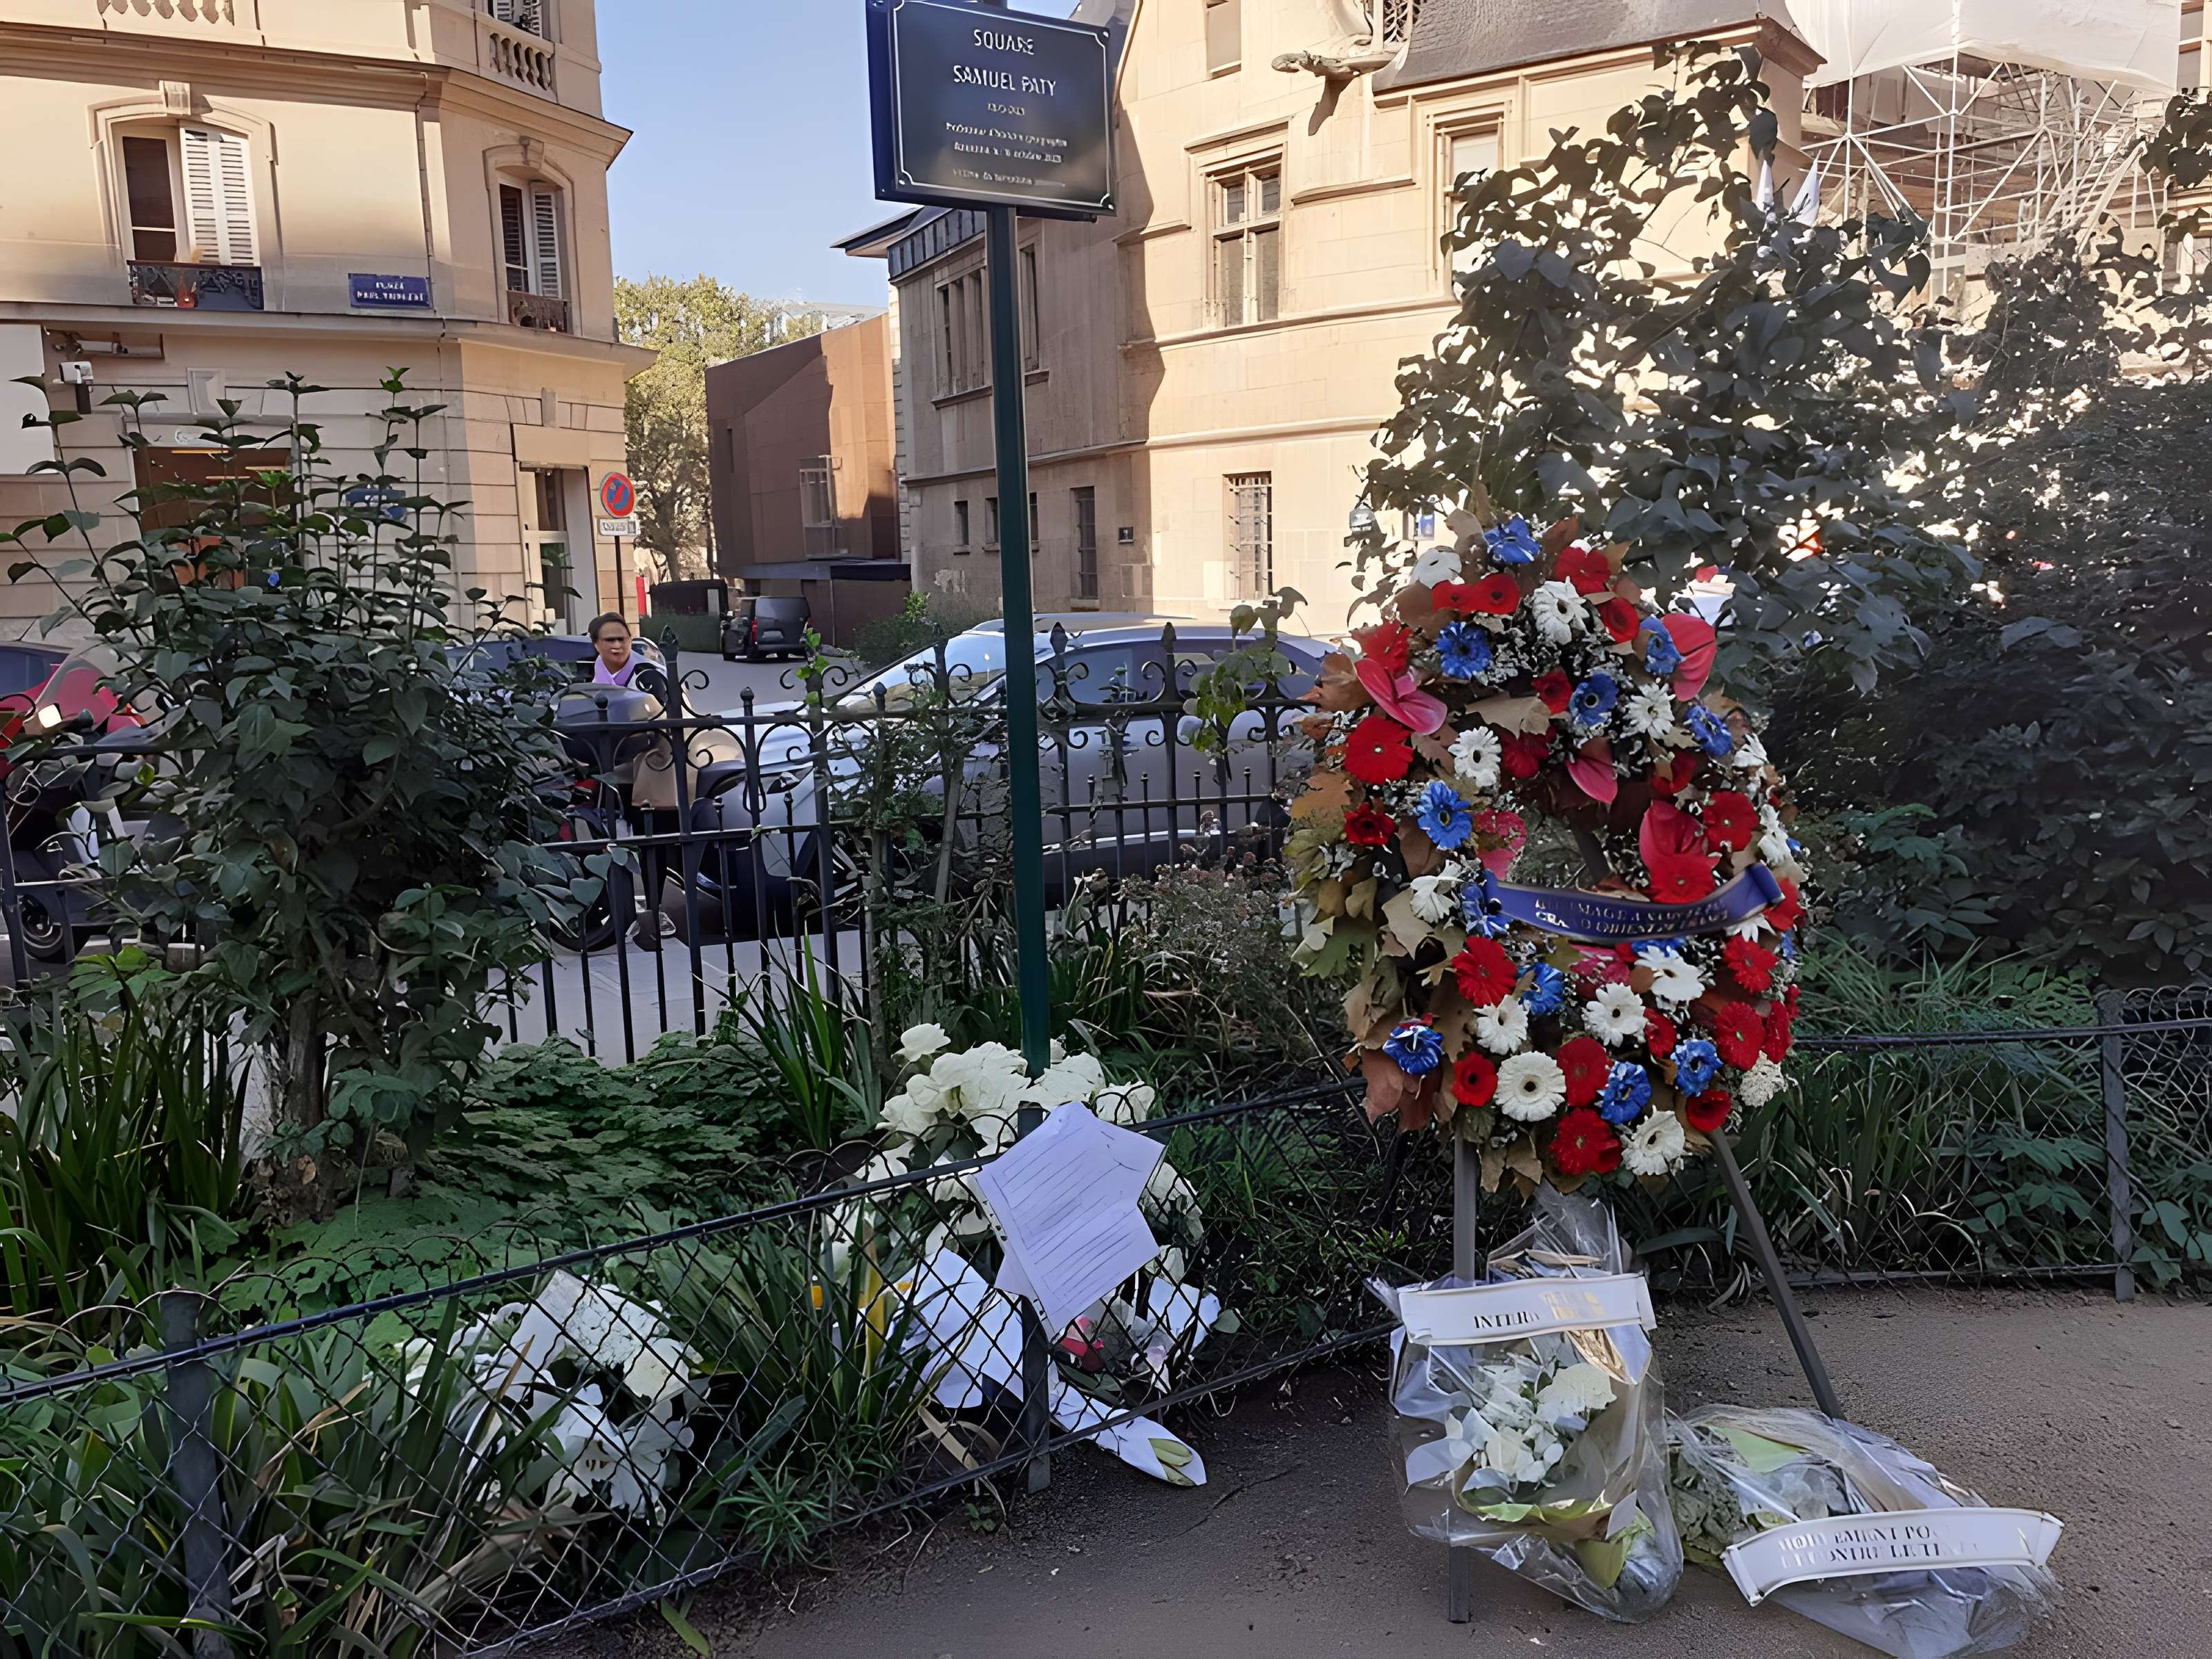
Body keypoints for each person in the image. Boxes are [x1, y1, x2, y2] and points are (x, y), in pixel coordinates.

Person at [587, 613, 680, 948]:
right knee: (606, 841)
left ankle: (656, 911)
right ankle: (617, 912)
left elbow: (671, 719)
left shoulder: (649, 675)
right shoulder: (594, 675)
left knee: (653, 843)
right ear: (596, 643)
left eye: (622, 638)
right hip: (610, 772)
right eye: (609, 639)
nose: (617, 644)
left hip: (651, 770)